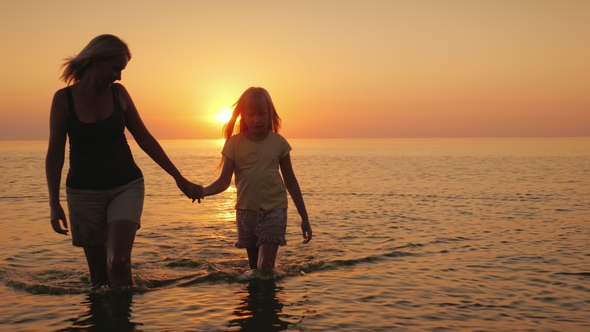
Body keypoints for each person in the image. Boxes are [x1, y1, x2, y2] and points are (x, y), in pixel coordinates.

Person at [45, 34, 203, 288]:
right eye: (116, 68)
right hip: (83, 192)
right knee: (98, 277)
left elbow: (145, 138)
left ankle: (125, 322)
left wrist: (179, 178)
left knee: (118, 261)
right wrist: (54, 203)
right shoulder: (63, 99)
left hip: (126, 185)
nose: (118, 76)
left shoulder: (119, 94)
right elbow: (55, 153)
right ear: (97, 61)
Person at [195, 87, 312, 271]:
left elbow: (291, 182)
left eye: (261, 114)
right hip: (246, 212)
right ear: (243, 116)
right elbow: (223, 182)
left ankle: (270, 297)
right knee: (254, 270)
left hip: (275, 209)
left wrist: (304, 218)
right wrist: (203, 191)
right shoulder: (234, 143)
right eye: (251, 114)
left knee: (265, 266)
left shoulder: (279, 143)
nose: (256, 119)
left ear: (270, 114)